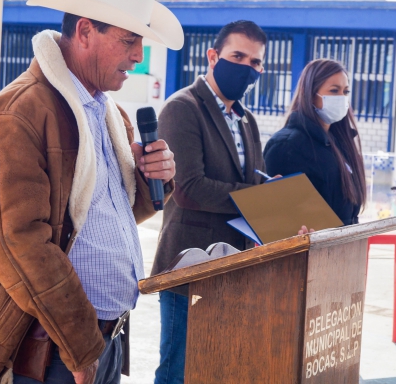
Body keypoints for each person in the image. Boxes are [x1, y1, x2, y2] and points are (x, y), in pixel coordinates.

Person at [0, 0, 182, 384]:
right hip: (49, 351)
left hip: (98, 342)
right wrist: (81, 346)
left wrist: (151, 179)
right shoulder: (18, 113)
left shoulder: (108, 112)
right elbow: (22, 244)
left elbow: (110, 218)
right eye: (128, 40)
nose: (139, 56)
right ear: (85, 31)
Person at [150, 20, 268, 383]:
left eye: (256, 62)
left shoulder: (245, 119)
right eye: (238, 56)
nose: (247, 68)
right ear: (213, 56)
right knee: (179, 371)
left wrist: (272, 192)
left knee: (219, 368)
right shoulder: (182, 108)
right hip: (190, 262)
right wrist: (258, 198)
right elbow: (188, 187)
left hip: (236, 264)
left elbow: (254, 181)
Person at [263, 59, 366, 226]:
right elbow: (279, 220)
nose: (342, 98)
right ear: (310, 94)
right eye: (334, 91)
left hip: (345, 247)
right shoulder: (286, 146)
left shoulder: (340, 143)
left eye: (346, 92)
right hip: (311, 250)